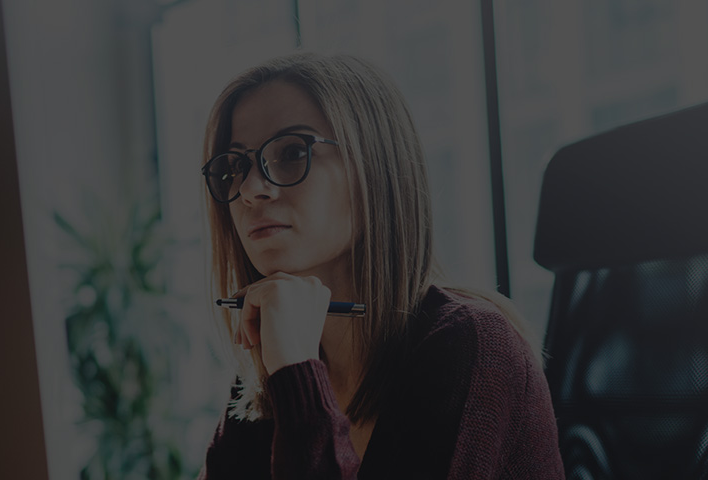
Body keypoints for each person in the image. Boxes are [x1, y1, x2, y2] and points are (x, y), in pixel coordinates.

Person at [195, 52, 563, 479]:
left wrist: (297, 374)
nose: (251, 189)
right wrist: (290, 369)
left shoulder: (471, 344)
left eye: (293, 151)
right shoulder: (273, 367)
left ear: (374, 167)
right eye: (236, 165)